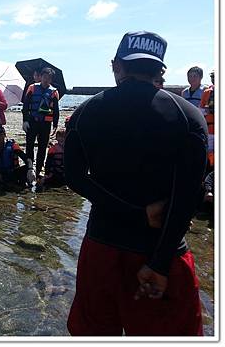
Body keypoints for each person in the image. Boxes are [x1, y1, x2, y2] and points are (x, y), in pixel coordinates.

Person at [64, 31, 207, 336]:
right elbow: (190, 197)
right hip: (161, 251)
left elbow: (75, 178)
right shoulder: (189, 117)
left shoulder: (84, 113)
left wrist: (133, 212)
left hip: (102, 247)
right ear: (161, 71)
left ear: (117, 66)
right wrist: (159, 263)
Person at [22, 67, 60, 180]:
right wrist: (25, 120)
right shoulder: (32, 88)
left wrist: (55, 125)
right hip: (32, 121)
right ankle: (29, 168)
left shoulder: (54, 92)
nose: (46, 79)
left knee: (42, 147)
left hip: (46, 124)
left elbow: (56, 110)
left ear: (51, 79)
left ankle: (38, 170)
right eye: (44, 77)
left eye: (49, 78)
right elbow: (26, 105)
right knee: (29, 145)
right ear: (40, 77)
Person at [199, 70, 214, 169]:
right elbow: (201, 110)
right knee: (209, 152)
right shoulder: (207, 92)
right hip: (210, 129)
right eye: (213, 77)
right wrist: (207, 110)